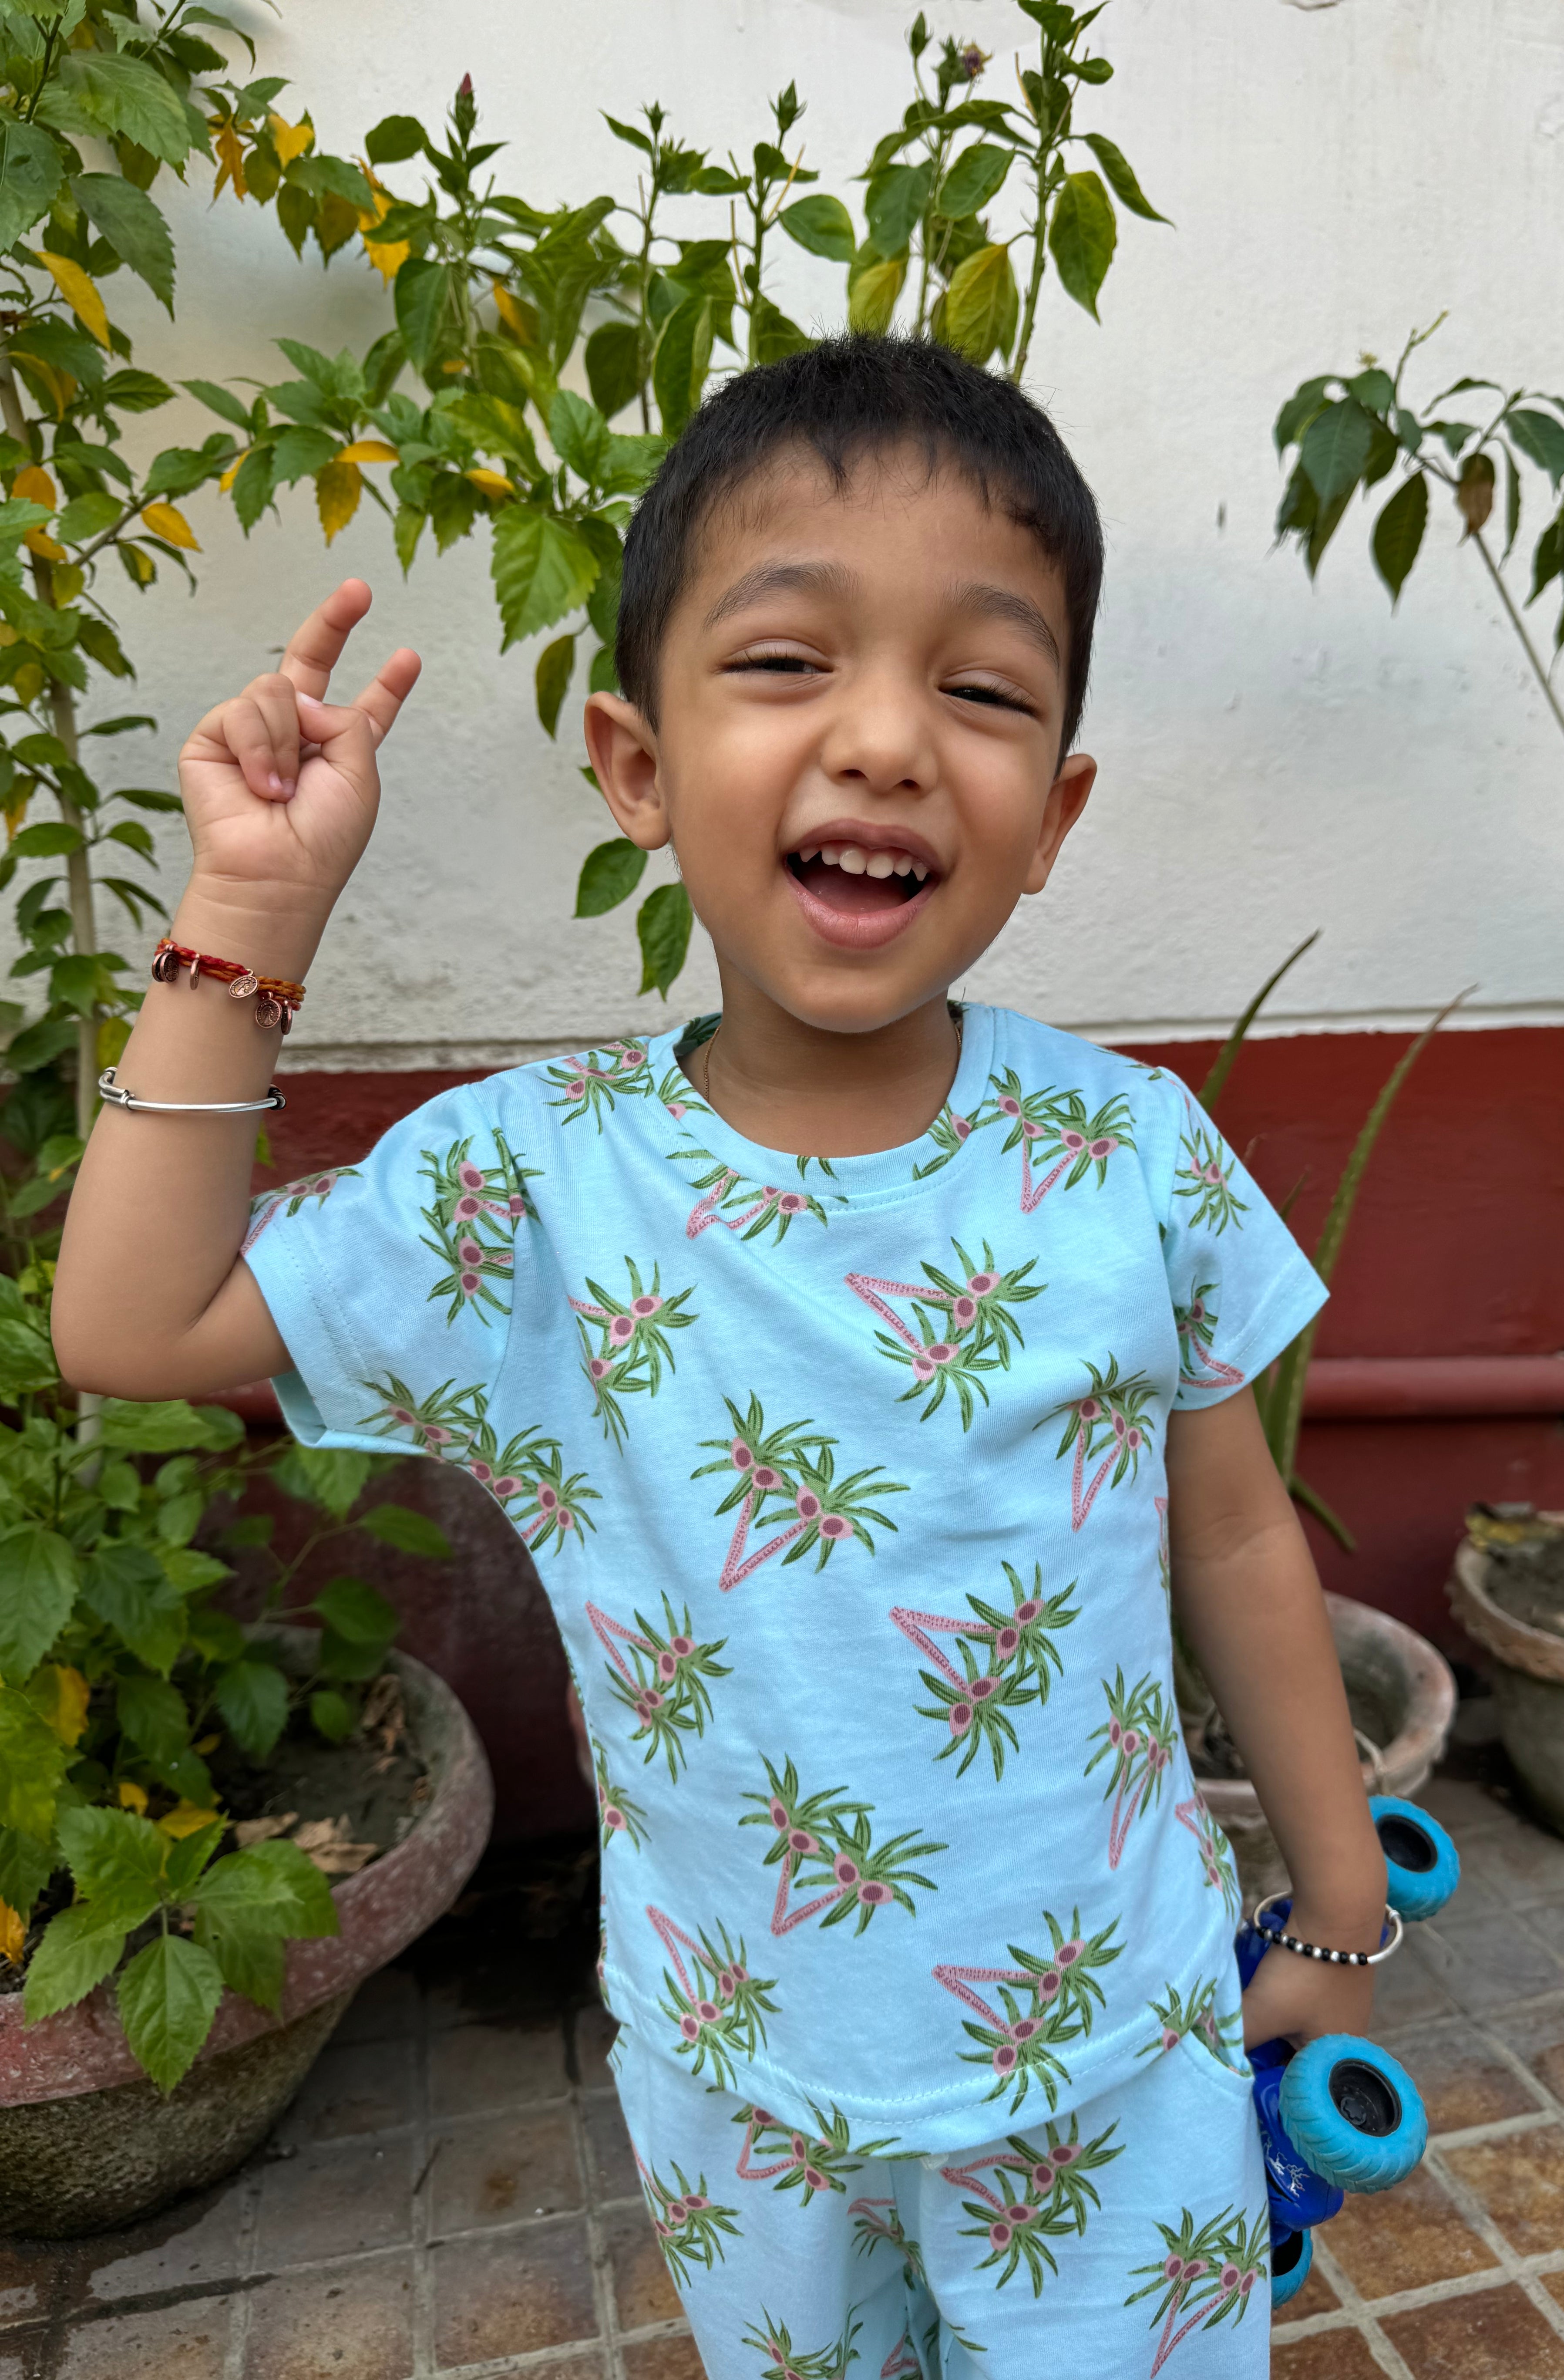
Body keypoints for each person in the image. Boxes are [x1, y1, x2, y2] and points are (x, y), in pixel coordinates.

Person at [55, 336, 1387, 2378]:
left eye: (982, 686)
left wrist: (1337, 1900)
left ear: (1055, 815)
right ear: (635, 766)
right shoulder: (536, 1183)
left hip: (1113, 2068)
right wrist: (248, 917)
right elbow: (131, 1326)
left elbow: (1231, 1540)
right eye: (786, 662)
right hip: (746, 2083)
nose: (884, 739)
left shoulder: (1130, 1153)